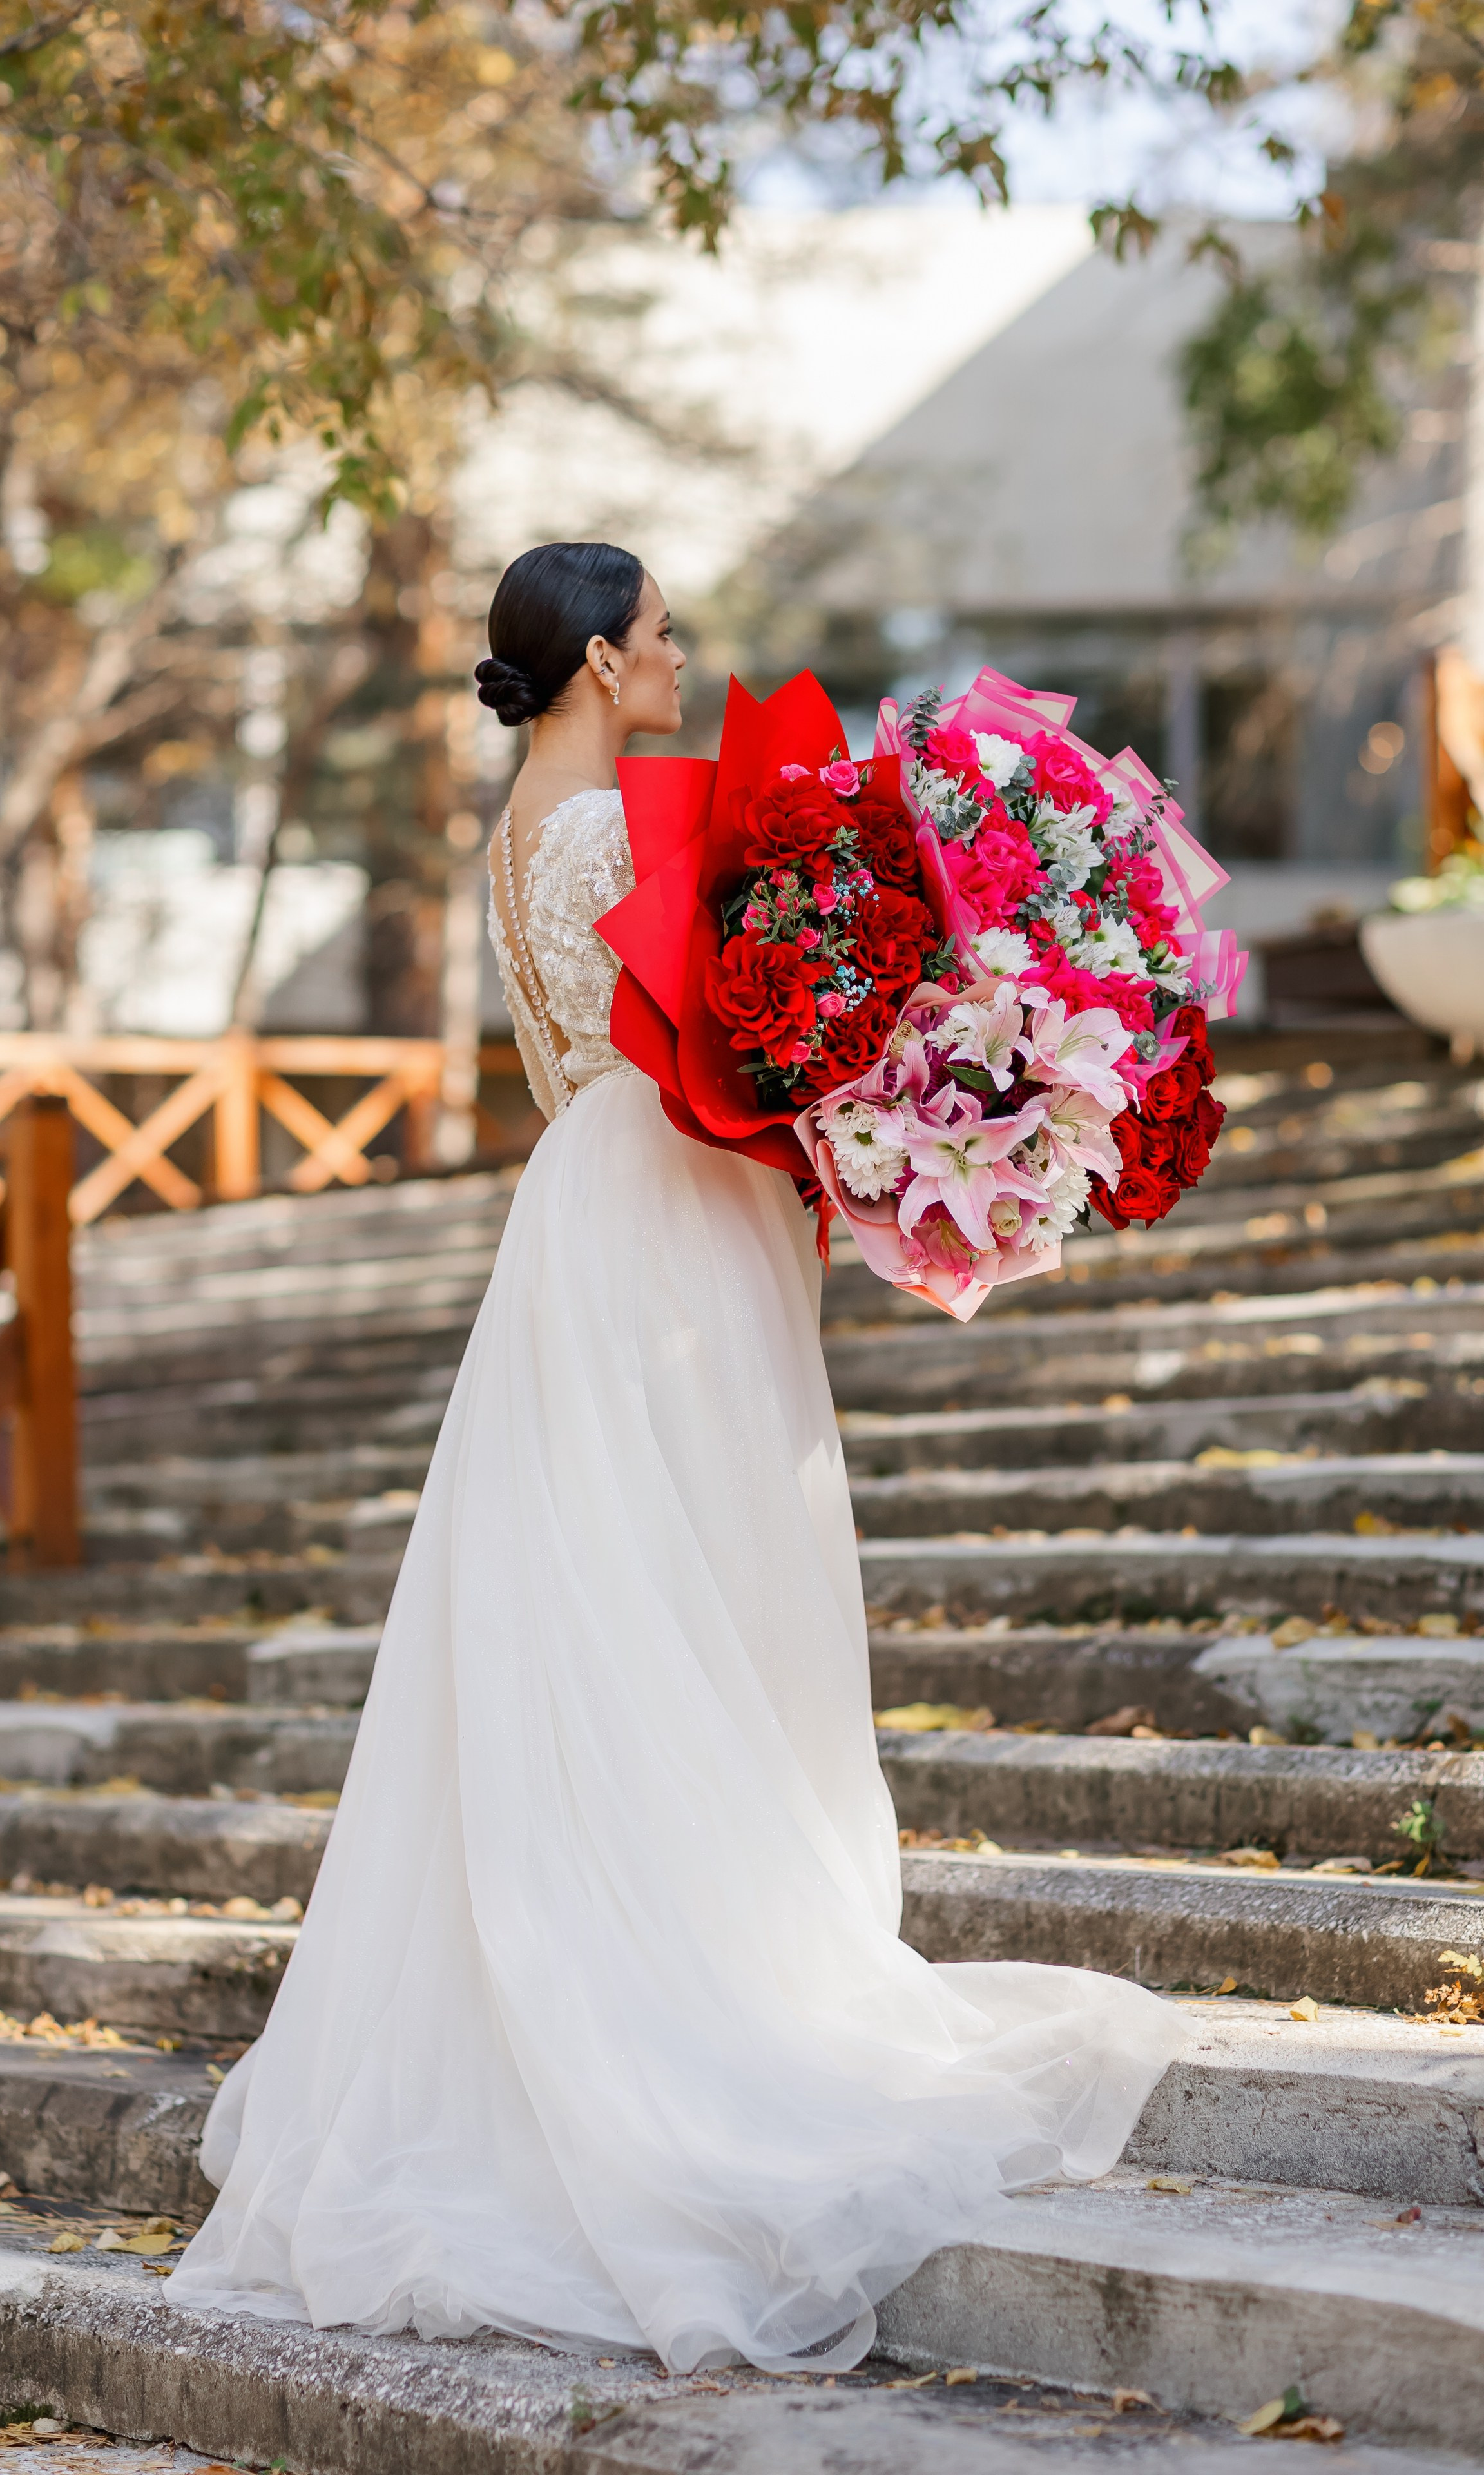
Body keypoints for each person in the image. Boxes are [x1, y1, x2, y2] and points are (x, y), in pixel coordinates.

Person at [164, 540, 1185, 2373]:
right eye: (657, 638)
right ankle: (722, 2000)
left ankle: (625, 1956)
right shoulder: (613, 825)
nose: (679, 659)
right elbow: (753, 1024)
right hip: (669, 1209)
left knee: (610, 1592)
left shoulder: (515, 826)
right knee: (719, 1578)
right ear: (591, 663)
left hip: (589, 1207)